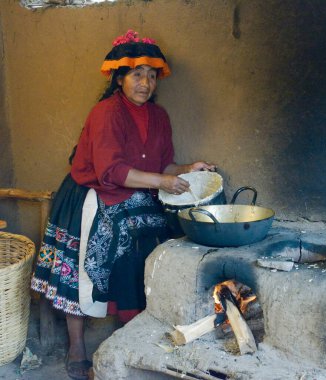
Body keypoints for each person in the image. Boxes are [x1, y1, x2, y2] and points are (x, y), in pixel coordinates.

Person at [31, 29, 215, 380]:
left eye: (151, 75)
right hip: (92, 193)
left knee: (154, 239)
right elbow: (110, 171)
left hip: (132, 195)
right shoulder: (106, 113)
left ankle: (132, 329)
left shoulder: (159, 117)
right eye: (136, 74)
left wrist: (189, 170)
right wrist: (162, 182)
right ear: (119, 78)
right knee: (85, 267)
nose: (144, 82)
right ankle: (76, 345)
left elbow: (163, 166)